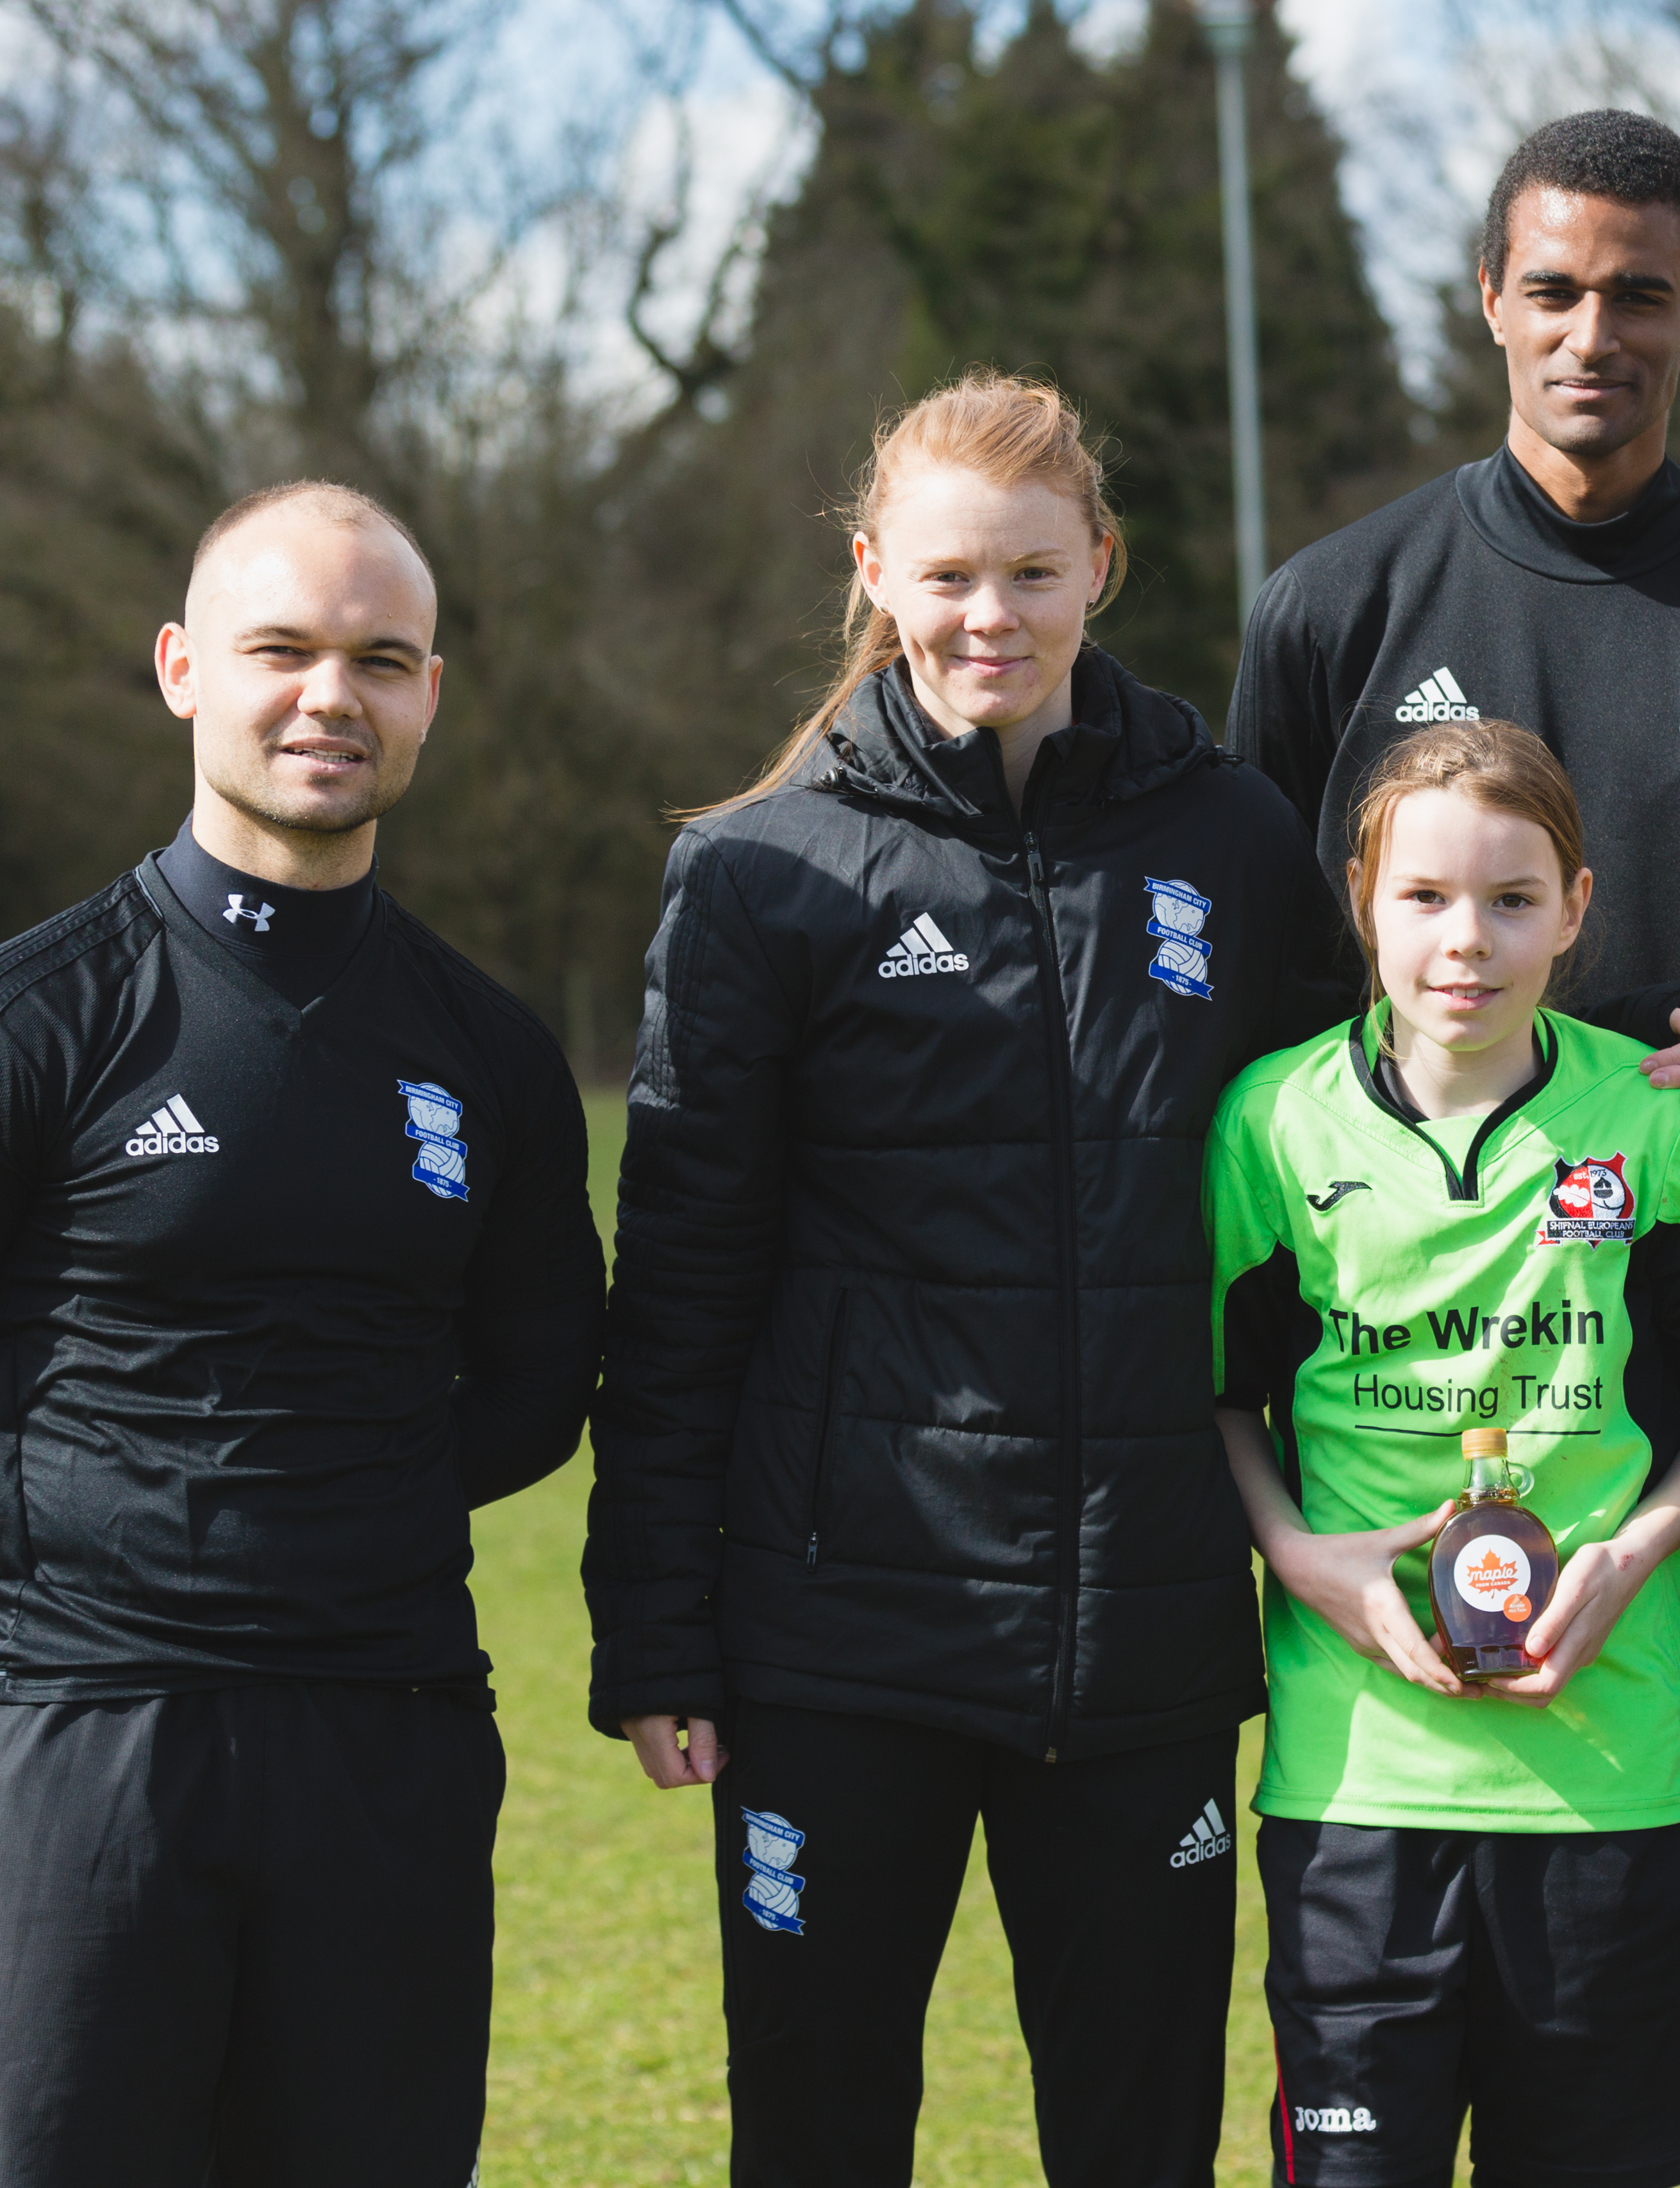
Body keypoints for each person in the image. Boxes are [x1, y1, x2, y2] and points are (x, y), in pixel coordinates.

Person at [581, 369, 1365, 2188]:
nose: (986, 615)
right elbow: (683, 1283)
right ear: (874, 571)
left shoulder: (1234, 841)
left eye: (1028, 570)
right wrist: (654, 1625)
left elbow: (1343, 1183)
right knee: (819, 2119)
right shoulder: (757, 871)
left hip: (1147, 1638)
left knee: (1139, 2128)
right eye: (943, 575)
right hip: (835, 1638)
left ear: (1099, 561)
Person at [0, 481, 604, 2186]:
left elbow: (535, 1389)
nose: (330, 696)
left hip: (387, 1737)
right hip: (80, 1743)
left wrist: (332, 1518)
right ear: (180, 668)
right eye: (280, 648)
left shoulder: (491, 1052)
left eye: (382, 659)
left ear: (432, 692)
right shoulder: (8, 1019)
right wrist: (97, 1536)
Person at [1227, 111, 1680, 2172]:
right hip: (1432, 1352)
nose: (1599, 331)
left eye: (1642, 293)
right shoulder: (1334, 607)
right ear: (1490, 299)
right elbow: (1263, 1003)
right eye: (1557, 287)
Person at [1205, 718, 1680, 2188]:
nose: (1466, 941)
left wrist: (1637, 1546)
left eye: (1512, 900)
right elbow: (1216, 1398)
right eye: (1425, 898)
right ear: (1361, 900)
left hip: (1613, 1774)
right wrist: (1295, 1552)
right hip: (1355, 1784)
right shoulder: (1272, 1126)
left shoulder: (1649, 1124)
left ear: (1577, 909)